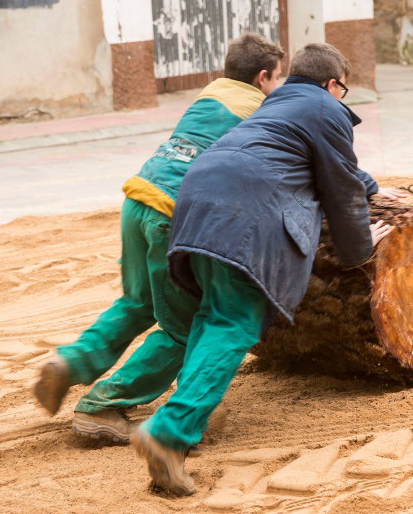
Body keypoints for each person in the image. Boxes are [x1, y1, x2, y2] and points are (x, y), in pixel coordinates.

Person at [129, 42, 393, 496]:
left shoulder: (278, 104)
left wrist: (368, 185)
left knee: (213, 315)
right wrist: (360, 258)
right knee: (234, 322)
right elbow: (342, 188)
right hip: (241, 213)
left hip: (196, 201)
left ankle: (187, 422)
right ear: (332, 85)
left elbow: (333, 169)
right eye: (343, 91)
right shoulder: (325, 110)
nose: (342, 100)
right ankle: (169, 432)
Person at [32, 33, 285, 444]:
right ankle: (104, 406)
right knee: (183, 328)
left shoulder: (208, 97)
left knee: (137, 302)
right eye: (278, 78)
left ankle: (72, 362)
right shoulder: (259, 110)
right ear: (261, 78)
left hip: (138, 198)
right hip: (171, 216)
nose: (279, 86)